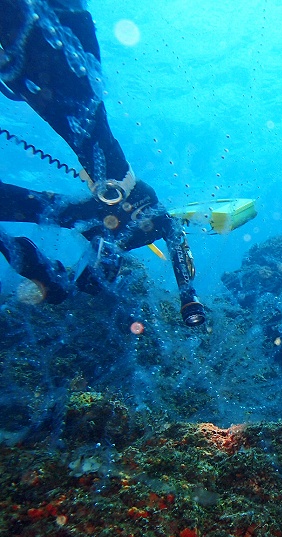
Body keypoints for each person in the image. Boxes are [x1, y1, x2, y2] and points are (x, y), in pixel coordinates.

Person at [0, 0, 206, 326]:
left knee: (56, 286)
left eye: (97, 269)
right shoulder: (150, 224)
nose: (101, 263)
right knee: (85, 110)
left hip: (44, 90)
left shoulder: (89, 226)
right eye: (105, 270)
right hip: (106, 157)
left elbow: (31, 207)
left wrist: (38, 268)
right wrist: (188, 296)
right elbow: (178, 243)